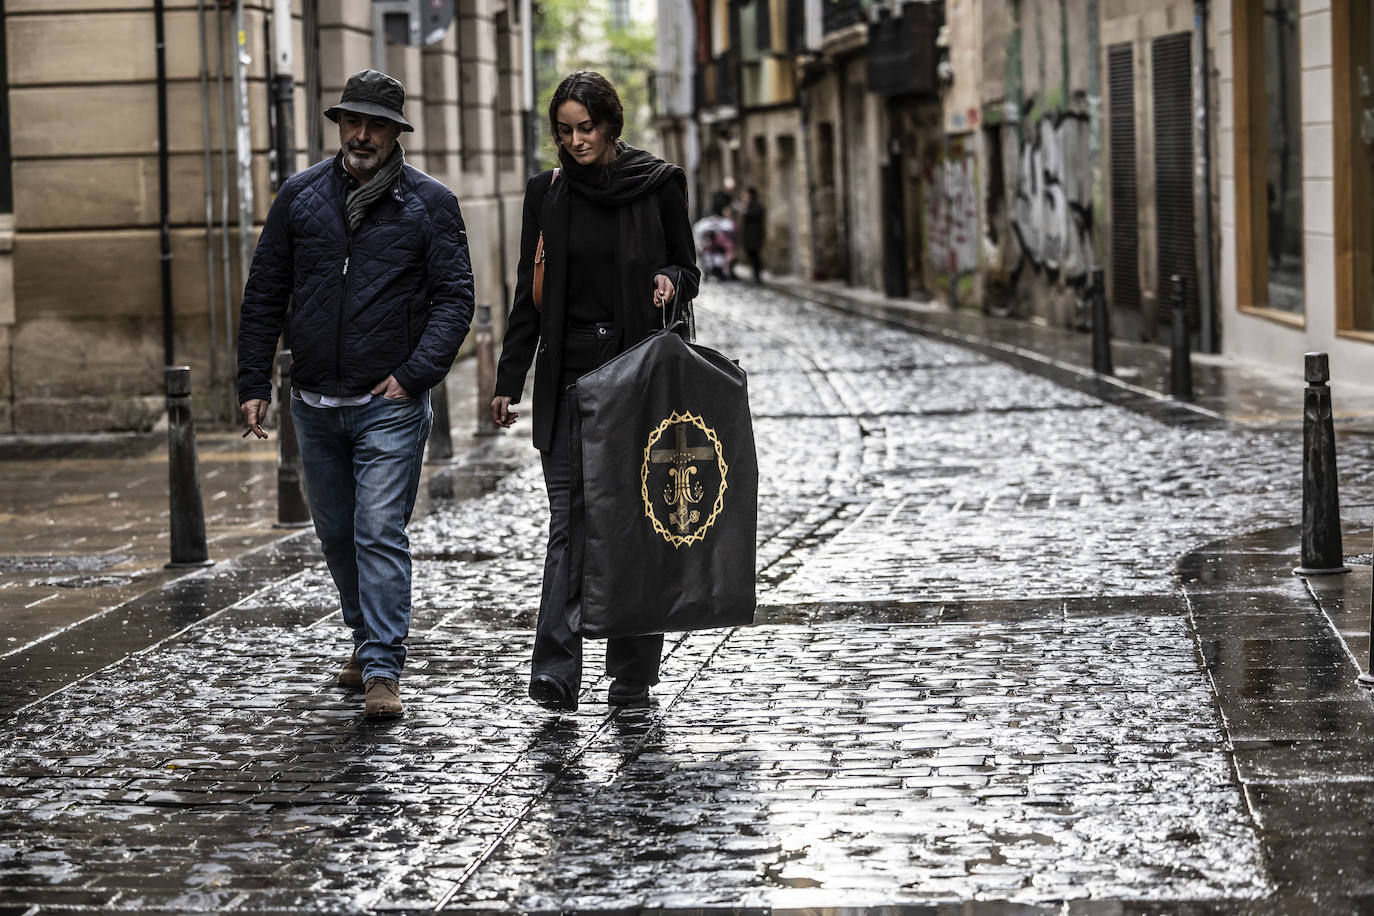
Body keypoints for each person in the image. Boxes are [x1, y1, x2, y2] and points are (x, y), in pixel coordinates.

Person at [237, 69, 474, 719]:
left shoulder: (429, 204)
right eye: (352, 121)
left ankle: (381, 670)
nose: (361, 134)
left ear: (397, 133)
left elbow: (456, 301)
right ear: (339, 124)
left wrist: (414, 375)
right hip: (314, 403)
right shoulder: (300, 197)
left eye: (375, 124)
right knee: (339, 536)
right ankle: (366, 637)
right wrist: (253, 381)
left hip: (388, 406)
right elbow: (265, 294)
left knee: (377, 530)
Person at [489, 70, 700, 713]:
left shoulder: (658, 184)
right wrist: (507, 379)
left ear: (610, 125)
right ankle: (556, 669)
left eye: (586, 129)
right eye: (565, 131)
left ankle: (632, 675)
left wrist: (670, 279)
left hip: (637, 375)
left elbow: (688, 267)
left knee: (636, 522)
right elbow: (530, 289)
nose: (576, 141)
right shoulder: (546, 194)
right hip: (569, 379)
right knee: (570, 525)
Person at [740, 186, 766, 283]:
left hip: (755, 235)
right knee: (751, 254)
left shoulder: (757, 206)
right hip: (748, 235)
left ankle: (757, 274)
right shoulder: (748, 206)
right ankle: (755, 273)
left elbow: (753, 215)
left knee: (755, 255)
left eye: (745, 195)